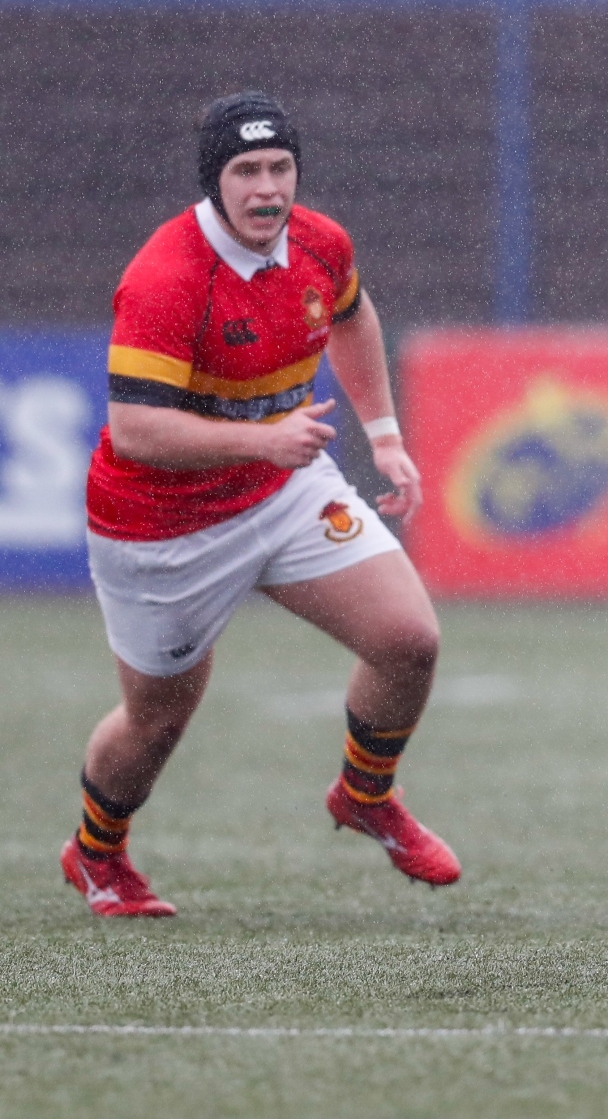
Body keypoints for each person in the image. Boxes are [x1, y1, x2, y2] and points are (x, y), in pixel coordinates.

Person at [64, 91, 458, 918]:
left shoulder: (320, 242)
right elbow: (135, 430)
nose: (268, 188)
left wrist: (384, 435)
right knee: (157, 717)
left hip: (281, 488)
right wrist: (261, 441)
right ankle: (96, 852)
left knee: (408, 640)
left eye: (280, 167)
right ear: (215, 181)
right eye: (246, 170)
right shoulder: (167, 277)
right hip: (162, 527)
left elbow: (353, 318)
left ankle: (365, 794)